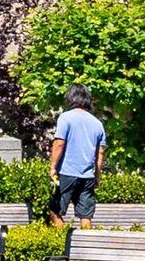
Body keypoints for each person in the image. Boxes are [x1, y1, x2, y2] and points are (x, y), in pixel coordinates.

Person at [45, 90, 107, 227]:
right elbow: (100, 153)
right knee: (85, 215)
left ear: (70, 98)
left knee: (55, 211)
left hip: (66, 172)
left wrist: (53, 167)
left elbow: (59, 143)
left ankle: (61, 244)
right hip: (88, 176)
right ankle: (86, 245)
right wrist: (97, 176)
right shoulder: (97, 123)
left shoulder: (65, 118)